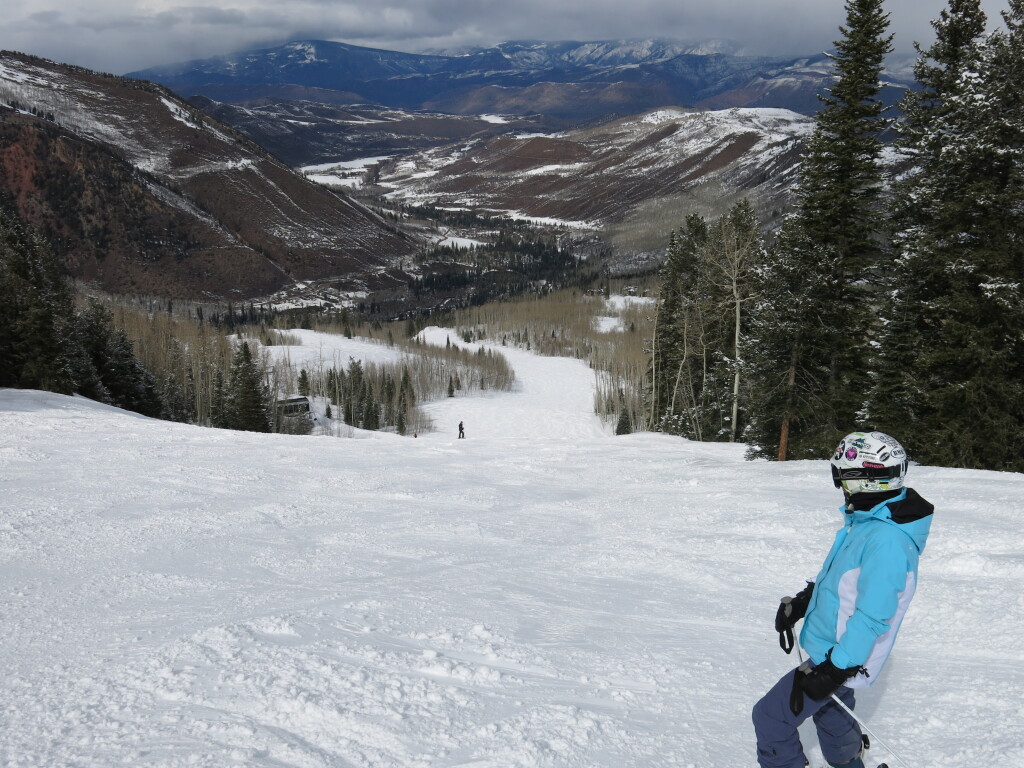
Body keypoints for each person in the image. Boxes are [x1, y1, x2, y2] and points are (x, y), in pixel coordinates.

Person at [752, 431, 934, 768]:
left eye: (843, 477)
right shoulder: (869, 520)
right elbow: (841, 578)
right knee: (834, 714)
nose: (841, 486)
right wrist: (804, 601)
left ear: (864, 479)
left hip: (841, 654)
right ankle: (850, 762)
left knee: (771, 717)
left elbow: (873, 616)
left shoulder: (887, 540)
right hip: (837, 647)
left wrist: (835, 670)